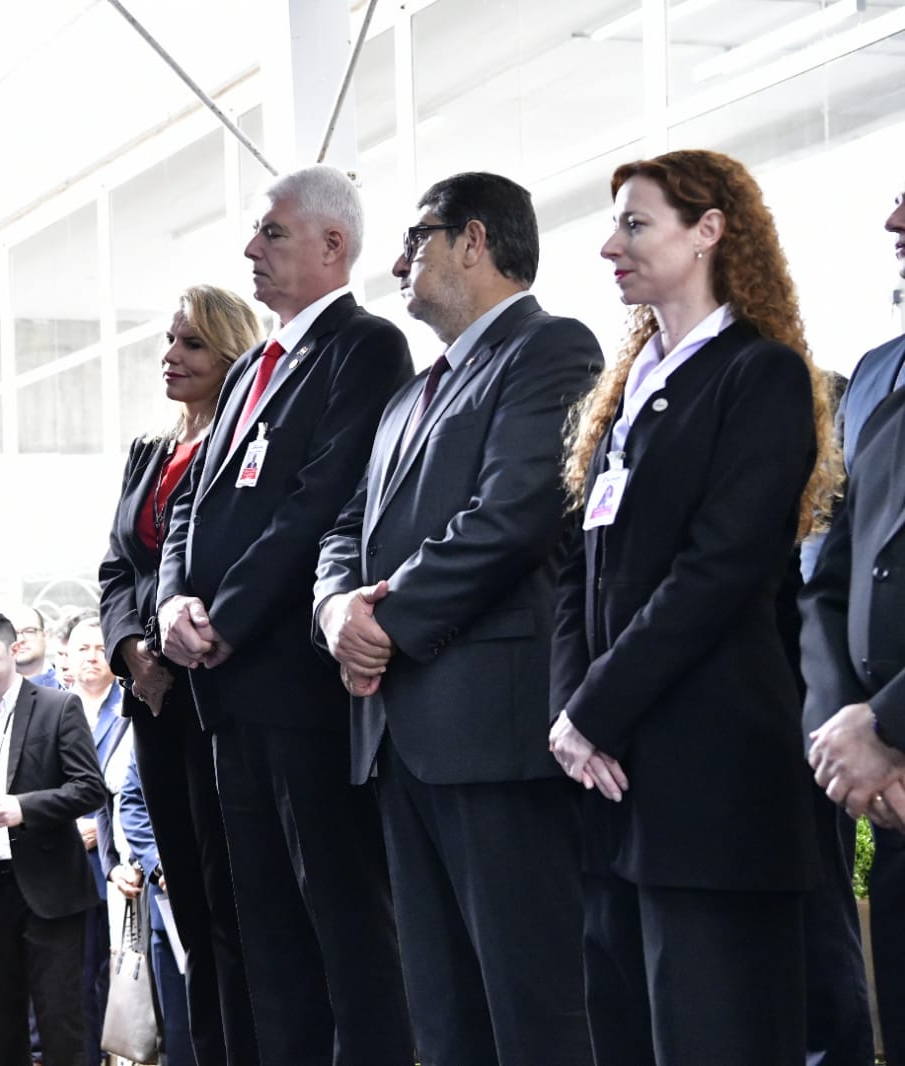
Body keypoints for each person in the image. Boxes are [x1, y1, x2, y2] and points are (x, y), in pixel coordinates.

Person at [549, 149, 840, 1065]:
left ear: (708, 230)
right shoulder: (626, 390)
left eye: (634, 225)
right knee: (625, 1031)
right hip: (610, 783)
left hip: (712, 783)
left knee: (714, 1032)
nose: (609, 247)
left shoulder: (760, 377)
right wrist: (569, 715)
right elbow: (572, 569)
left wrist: (595, 708)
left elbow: (717, 573)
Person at [314, 171, 602, 1066]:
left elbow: (512, 512)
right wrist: (334, 611)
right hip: (398, 736)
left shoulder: (550, 349)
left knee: (533, 1003)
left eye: (415, 237)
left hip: (493, 731)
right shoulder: (408, 395)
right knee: (439, 1010)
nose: (396, 261)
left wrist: (383, 624)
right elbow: (343, 527)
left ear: (472, 241)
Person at [156, 164, 415, 1066]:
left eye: (270, 234)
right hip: (227, 696)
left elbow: (318, 501)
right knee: (260, 930)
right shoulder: (248, 373)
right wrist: (172, 602)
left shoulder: (365, 347)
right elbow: (191, 504)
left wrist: (220, 617)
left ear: (331, 245)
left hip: (302, 688)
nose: (249, 251)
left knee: (343, 924)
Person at [98, 282, 261, 1065]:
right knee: (189, 907)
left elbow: (224, 562)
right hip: (152, 701)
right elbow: (116, 570)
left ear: (232, 355)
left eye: (191, 343)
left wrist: (169, 655)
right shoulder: (148, 452)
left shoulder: (245, 444)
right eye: (168, 340)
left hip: (218, 692)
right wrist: (131, 652)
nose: (170, 356)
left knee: (236, 903)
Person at [804, 184, 905, 1065]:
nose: (891, 224)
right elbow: (828, 572)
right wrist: (844, 737)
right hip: (884, 785)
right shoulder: (874, 371)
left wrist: (888, 723)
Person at [0, 610, 107, 1066]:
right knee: (3, 1028)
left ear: (13, 650)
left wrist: (26, 808)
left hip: (51, 888)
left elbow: (90, 788)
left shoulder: (57, 706)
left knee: (61, 1023)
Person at [63, 611, 130, 1066]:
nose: (92, 656)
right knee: (75, 973)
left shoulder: (130, 704)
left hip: (119, 861)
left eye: (101, 647)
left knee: (121, 972)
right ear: (66, 656)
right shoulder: (51, 707)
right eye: (82, 647)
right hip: (65, 864)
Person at [102, 750, 196, 1066]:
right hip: (169, 912)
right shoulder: (155, 724)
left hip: (234, 899)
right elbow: (132, 804)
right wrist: (160, 865)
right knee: (177, 1031)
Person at [10, 606, 61, 689]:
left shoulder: (65, 684)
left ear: (45, 636)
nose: (20, 639)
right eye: (13, 633)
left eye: (29, 631)